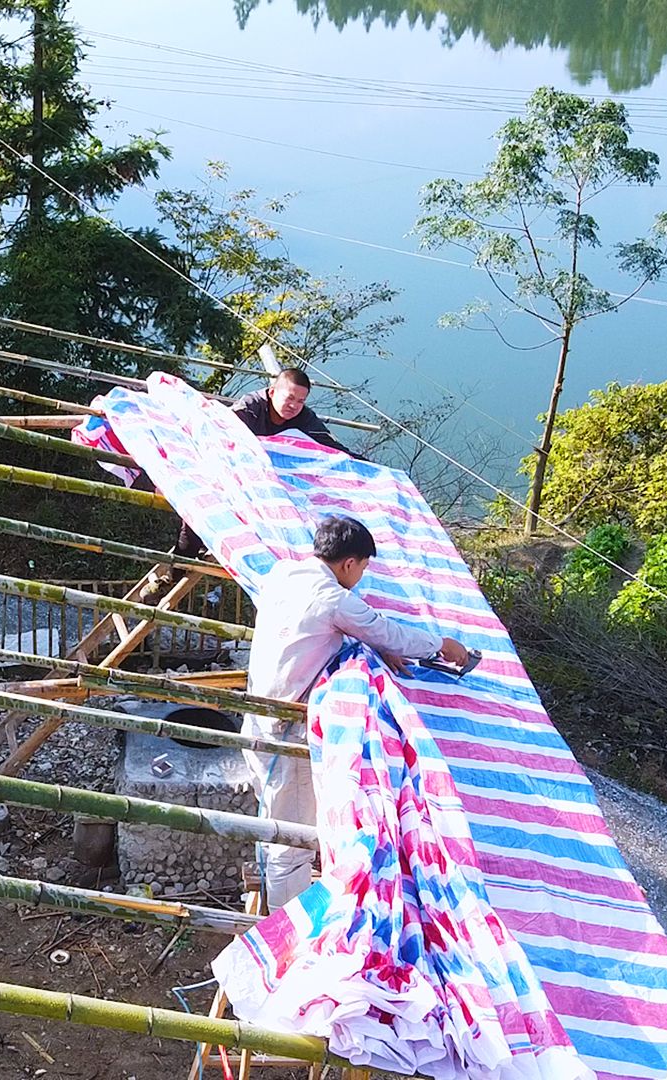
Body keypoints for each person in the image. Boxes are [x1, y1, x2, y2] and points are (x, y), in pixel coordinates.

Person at [243, 514, 472, 909]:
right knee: (290, 838)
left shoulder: (284, 573)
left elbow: (334, 629)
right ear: (348, 563)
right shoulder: (335, 599)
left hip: (255, 715)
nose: (362, 576)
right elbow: (385, 630)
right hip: (284, 726)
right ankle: (287, 935)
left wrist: (375, 644)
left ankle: (276, 903)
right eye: (363, 567)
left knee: (271, 820)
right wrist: (442, 644)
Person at [144, 367, 356, 565]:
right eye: (289, 398)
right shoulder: (250, 407)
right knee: (201, 513)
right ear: (272, 392)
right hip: (233, 471)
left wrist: (360, 462)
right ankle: (180, 565)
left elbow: (329, 446)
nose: (294, 406)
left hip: (271, 485)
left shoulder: (304, 418)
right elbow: (220, 433)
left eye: (300, 401)